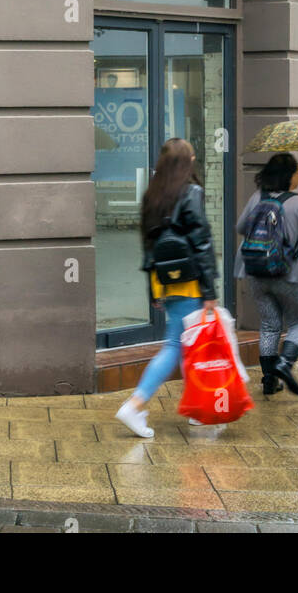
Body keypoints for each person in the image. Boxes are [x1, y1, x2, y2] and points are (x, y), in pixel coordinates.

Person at [115, 138, 218, 439]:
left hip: (165, 280)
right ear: (186, 162)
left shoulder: (153, 195)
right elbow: (202, 242)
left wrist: (154, 292)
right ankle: (134, 405)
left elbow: (148, 247)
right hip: (188, 280)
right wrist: (210, 290)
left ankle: (199, 409)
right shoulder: (191, 192)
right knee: (177, 345)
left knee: (187, 347)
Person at [235, 151, 298, 396]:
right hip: (291, 275)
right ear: (289, 176)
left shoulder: (257, 197)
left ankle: (268, 379)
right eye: (297, 171)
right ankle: (284, 364)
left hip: (256, 273)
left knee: (269, 325)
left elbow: (241, 227)